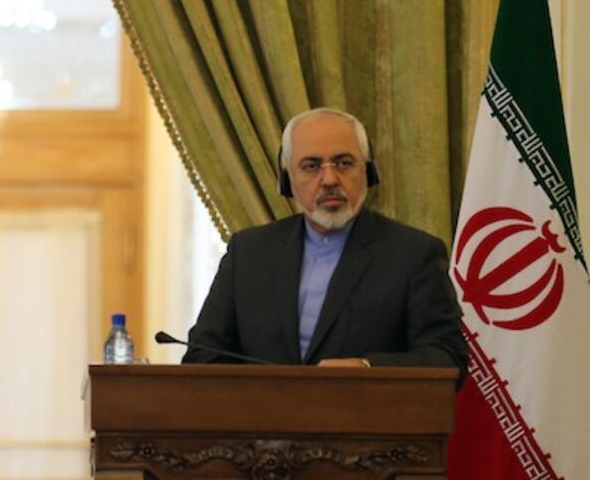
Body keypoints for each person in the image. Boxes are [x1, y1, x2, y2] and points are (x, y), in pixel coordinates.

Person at [183, 107, 467, 371]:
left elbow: (447, 357)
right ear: (288, 181)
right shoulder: (248, 253)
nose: (330, 179)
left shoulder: (414, 254)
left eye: (344, 163)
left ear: (367, 173)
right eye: (311, 166)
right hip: (263, 421)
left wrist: (368, 368)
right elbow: (202, 355)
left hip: (367, 418)